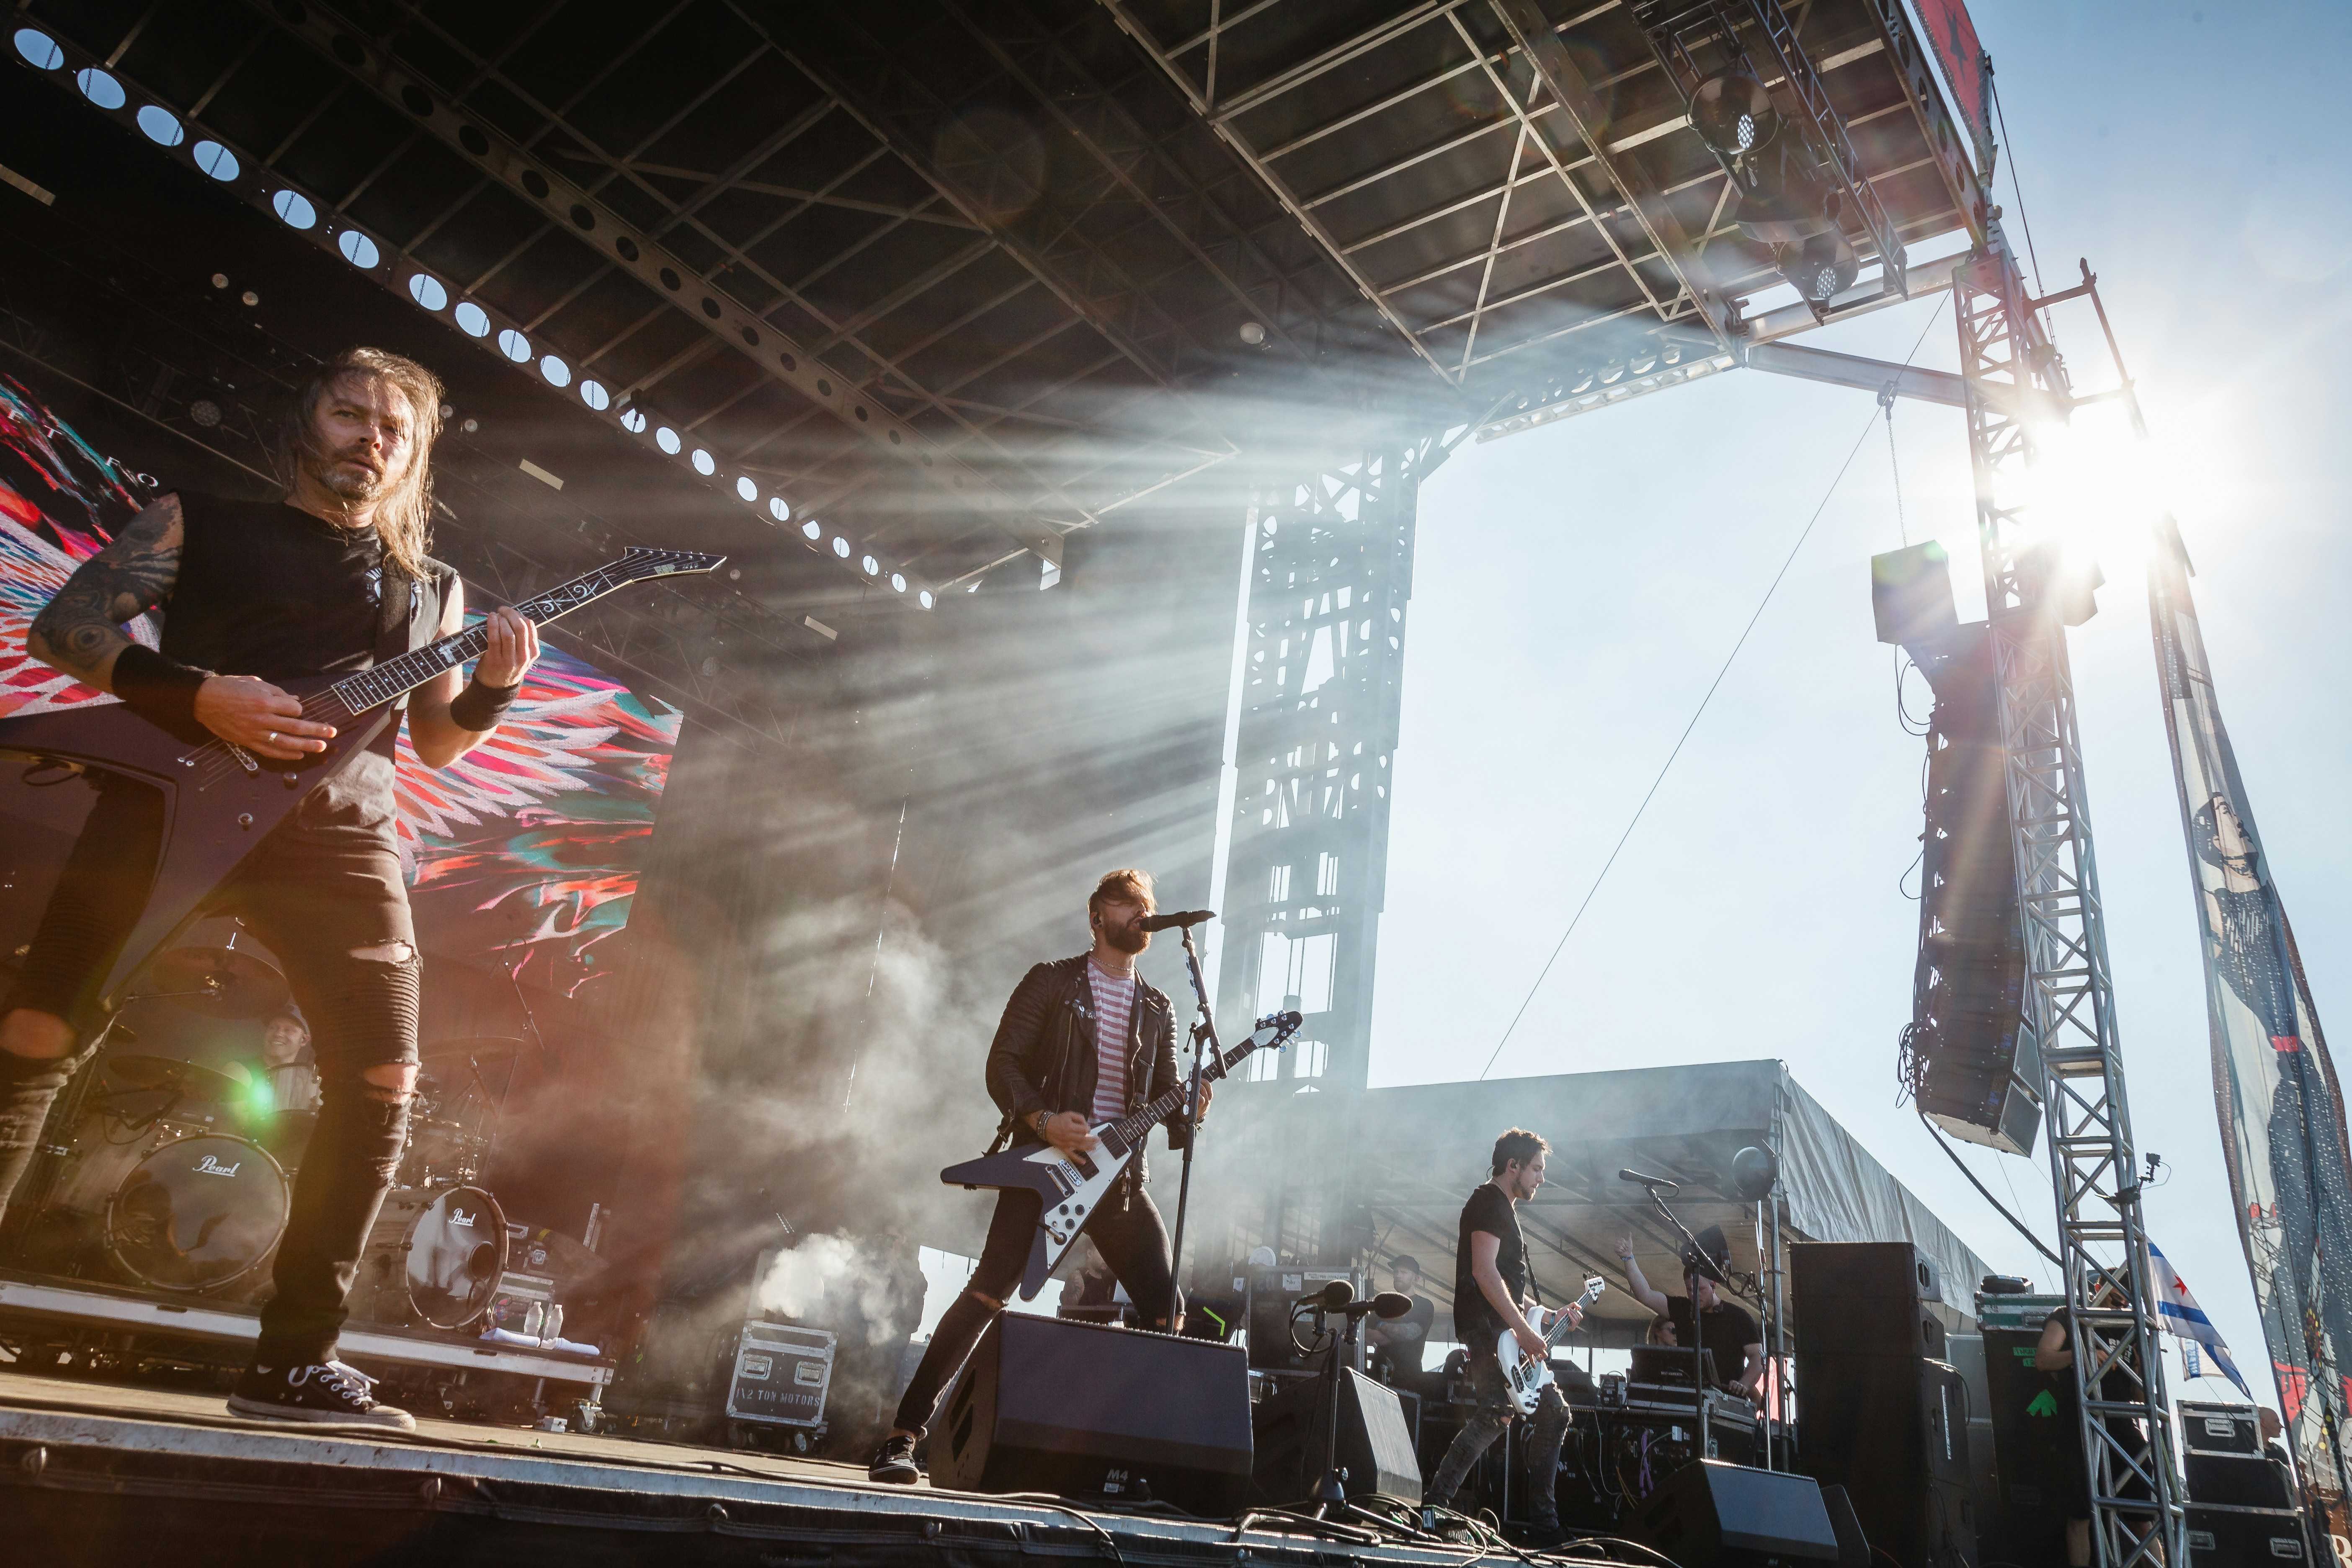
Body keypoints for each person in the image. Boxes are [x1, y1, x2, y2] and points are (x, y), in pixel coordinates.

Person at [0, 348, 540, 1429]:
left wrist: (492, 688)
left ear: (415, 453)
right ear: (310, 422)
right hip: (171, 812)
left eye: (395, 428)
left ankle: (294, 1362)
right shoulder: (195, 521)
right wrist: (198, 695)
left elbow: (434, 745)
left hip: (344, 839)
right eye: (352, 414)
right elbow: (65, 631)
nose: (371, 439)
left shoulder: (433, 590)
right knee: (34, 1038)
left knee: (383, 1082)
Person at [868, 869, 1211, 1483]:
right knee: (986, 1293)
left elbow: (1168, 1108)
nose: (1139, 913)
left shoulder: (1158, 1008)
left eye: (1145, 906)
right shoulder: (1051, 983)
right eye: (1126, 905)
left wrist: (1193, 1110)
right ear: (1096, 915)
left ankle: (1151, 1463)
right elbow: (1003, 1063)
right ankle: (901, 1438)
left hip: (1121, 1183)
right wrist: (1044, 1119)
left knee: (1167, 1308)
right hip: (1048, 1169)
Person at [1426, 1128, 1580, 1544]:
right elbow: (1483, 1271)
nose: (1541, 1179)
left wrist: (1548, 1316)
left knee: (1524, 1414)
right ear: (1512, 1166)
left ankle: (1437, 1509)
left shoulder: (1503, 1210)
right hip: (1489, 1333)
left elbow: (1507, 1287)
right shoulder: (1488, 1203)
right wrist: (1524, 1330)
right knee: (1508, 1412)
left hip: (1500, 1332)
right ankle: (1436, 1510)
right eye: (1536, 1169)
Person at [1616, 1225, 1765, 1403]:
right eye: (1689, 1290)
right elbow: (1645, 1294)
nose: (1694, 1295)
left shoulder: (1738, 1317)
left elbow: (1757, 1357)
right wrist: (1628, 1258)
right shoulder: (1682, 1308)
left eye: (1700, 1289)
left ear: (1713, 1286)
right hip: (1689, 1400)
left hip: (1727, 1403)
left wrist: (1744, 1384)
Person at [1368, 1253, 1436, 1382]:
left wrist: (1380, 1325)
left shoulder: (1424, 1305)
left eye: (1404, 1272)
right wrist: (1391, 1335)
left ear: (1416, 1279)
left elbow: (1408, 1334)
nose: (1398, 1276)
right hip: (1377, 1377)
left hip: (1409, 1378)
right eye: (1396, 1272)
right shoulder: (1381, 1303)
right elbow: (1367, 1335)